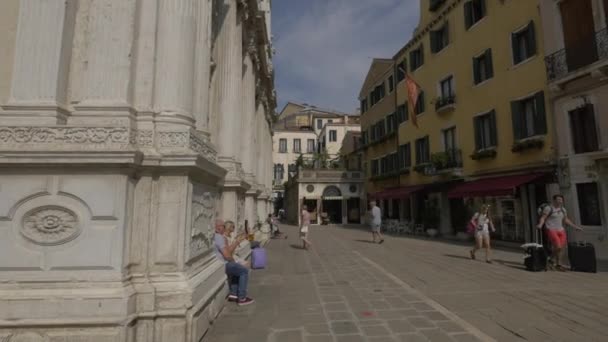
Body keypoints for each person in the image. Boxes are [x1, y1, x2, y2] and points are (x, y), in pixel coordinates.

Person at [537, 194, 583, 271]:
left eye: (561, 200)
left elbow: (566, 220)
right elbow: (543, 218)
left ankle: (558, 264)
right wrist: (540, 224)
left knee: (561, 248)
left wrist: (575, 227)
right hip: (551, 229)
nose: (560, 201)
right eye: (558, 199)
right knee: (558, 247)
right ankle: (551, 260)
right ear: (554, 200)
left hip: (561, 230)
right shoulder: (549, 208)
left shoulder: (563, 209)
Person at [214, 219, 254, 306]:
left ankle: (233, 294)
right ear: (217, 228)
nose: (223, 228)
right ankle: (242, 298)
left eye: (224, 226)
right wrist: (233, 261)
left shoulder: (216, 237)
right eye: (222, 226)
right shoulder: (220, 237)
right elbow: (227, 255)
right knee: (244, 271)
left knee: (238, 270)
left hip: (221, 262)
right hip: (224, 263)